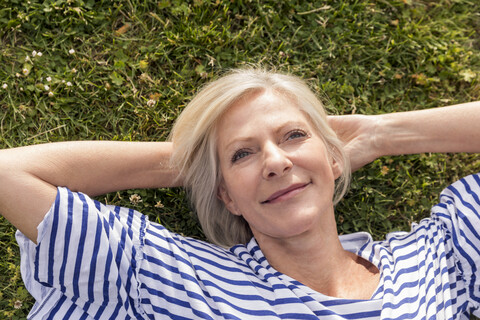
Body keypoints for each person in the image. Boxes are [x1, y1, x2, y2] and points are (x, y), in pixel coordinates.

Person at [0, 68, 479, 319]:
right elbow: (9, 173)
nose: (275, 162)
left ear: (334, 159)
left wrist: (382, 134)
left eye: (293, 136)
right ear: (225, 196)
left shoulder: (437, 257)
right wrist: (194, 162)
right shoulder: (179, 279)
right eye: (242, 155)